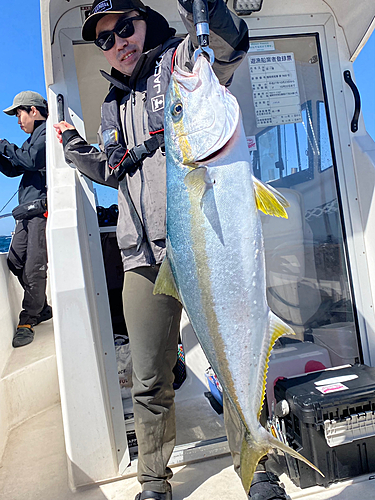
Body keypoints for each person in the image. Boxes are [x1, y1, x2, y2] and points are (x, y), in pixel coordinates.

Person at [54, 1, 288, 499]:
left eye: (125, 27)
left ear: (144, 25)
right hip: (143, 258)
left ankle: (257, 469)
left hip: (204, 244)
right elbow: (111, 168)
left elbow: (227, 48)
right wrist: (73, 144)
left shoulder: (176, 64)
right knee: (150, 377)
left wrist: (211, 10)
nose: (119, 42)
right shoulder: (110, 108)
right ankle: (154, 482)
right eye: (105, 38)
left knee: (231, 354)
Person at [0, 91, 52, 348]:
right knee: (15, 261)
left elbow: (30, 160)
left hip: (39, 213)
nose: (18, 120)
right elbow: (14, 168)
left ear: (33, 110)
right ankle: (41, 306)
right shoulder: (33, 139)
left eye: (19, 114)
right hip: (26, 213)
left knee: (34, 267)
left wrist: (4, 145)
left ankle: (28, 319)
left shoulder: (45, 135)